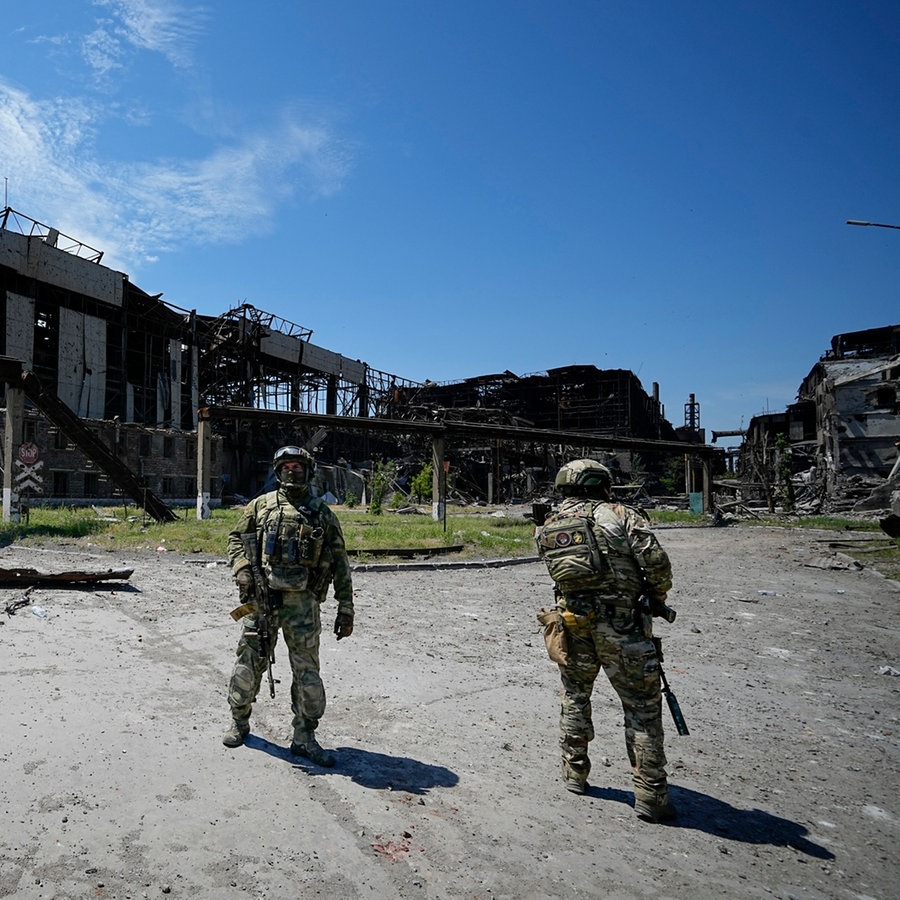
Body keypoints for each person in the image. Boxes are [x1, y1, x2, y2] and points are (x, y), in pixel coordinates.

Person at [535, 458, 676, 822]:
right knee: (642, 710)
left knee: (574, 697)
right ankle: (649, 794)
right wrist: (656, 597)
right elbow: (657, 563)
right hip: (623, 626)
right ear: (602, 484)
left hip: (572, 625)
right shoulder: (622, 515)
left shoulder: (549, 525)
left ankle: (574, 774)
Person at [223, 446, 354, 766]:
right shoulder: (260, 506)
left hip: (304, 606)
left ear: (308, 471)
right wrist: (242, 569)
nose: (292, 472)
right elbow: (235, 538)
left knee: (307, 673)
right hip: (262, 602)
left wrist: (346, 607)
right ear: (277, 471)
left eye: (297, 466)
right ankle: (239, 722)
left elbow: (340, 562)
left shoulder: (322, 514)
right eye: (286, 466)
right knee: (248, 665)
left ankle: (305, 737)